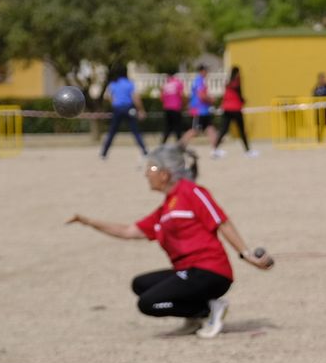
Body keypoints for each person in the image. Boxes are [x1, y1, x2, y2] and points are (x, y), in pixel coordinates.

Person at [68, 144, 272, 338]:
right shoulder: (165, 208)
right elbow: (128, 231)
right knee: (140, 284)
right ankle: (195, 316)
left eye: (151, 169)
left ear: (164, 174)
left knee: (148, 303)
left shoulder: (191, 192)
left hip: (209, 271)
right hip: (187, 272)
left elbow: (222, 222)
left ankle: (207, 309)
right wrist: (90, 222)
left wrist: (246, 254)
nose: (146, 174)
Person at [100, 66, 148, 159]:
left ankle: (104, 153)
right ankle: (144, 151)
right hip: (128, 108)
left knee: (112, 132)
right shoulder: (129, 83)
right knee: (135, 131)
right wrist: (141, 110)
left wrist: (113, 102)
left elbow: (107, 95)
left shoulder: (113, 83)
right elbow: (136, 98)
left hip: (117, 109)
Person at [212, 66, 253, 158]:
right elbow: (239, 94)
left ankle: (215, 149)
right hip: (235, 108)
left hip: (226, 108)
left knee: (223, 130)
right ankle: (248, 151)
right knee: (241, 130)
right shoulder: (237, 81)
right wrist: (243, 101)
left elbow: (225, 95)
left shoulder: (227, 83)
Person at [181, 65, 219, 147]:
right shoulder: (199, 81)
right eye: (206, 71)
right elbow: (201, 96)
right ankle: (181, 145)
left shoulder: (200, 81)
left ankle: (216, 149)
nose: (207, 73)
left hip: (203, 110)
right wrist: (211, 99)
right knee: (195, 131)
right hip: (199, 110)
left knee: (210, 128)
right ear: (202, 71)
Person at [159, 71, 187, 145]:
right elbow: (182, 95)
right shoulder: (178, 83)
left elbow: (161, 98)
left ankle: (162, 144)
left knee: (168, 127)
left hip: (167, 108)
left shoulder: (165, 85)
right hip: (176, 108)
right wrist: (185, 105)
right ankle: (179, 144)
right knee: (178, 127)